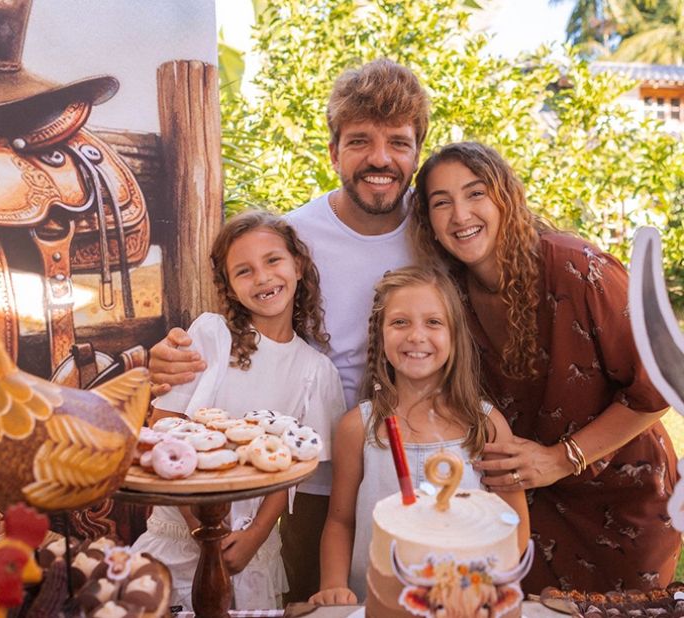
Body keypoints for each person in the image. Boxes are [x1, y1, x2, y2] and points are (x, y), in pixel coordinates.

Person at [148, 58, 430, 602]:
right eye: (359, 141)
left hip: (409, 456)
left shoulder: (437, 229)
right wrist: (164, 357)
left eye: (398, 141)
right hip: (313, 478)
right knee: (316, 598)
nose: (380, 158)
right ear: (333, 152)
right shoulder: (294, 237)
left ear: (417, 153)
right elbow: (229, 330)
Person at [412, 141, 679, 593]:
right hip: (527, 507)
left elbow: (656, 392)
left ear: (506, 198)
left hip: (624, 504)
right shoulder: (449, 293)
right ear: (429, 222)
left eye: (476, 194)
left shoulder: (579, 269)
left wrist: (561, 458)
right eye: (442, 202)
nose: (460, 215)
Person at [132, 209, 345, 609]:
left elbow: (291, 472)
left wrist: (256, 536)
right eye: (244, 271)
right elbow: (165, 433)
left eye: (273, 260)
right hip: (178, 535)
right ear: (229, 287)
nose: (263, 277)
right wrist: (203, 528)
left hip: (252, 549)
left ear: (297, 265)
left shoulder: (316, 372)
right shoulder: (210, 337)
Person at [309, 265, 530, 604]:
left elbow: (512, 522)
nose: (416, 336)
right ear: (380, 336)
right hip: (375, 602)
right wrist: (333, 585)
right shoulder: (358, 428)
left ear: (455, 336)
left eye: (433, 322)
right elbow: (340, 523)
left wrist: (494, 587)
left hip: (464, 603)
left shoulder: (486, 425)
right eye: (400, 322)